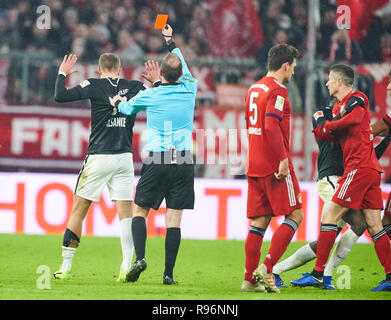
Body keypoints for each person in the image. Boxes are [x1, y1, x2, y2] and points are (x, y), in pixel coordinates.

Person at [52, 52, 160, 281]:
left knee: (78, 211)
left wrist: (62, 73)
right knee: (126, 214)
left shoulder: (93, 84)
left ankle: (66, 267)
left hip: (99, 156)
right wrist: (157, 81)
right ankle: (125, 267)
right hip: (124, 157)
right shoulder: (135, 86)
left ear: (100, 70)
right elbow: (161, 100)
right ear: (120, 70)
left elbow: (59, 96)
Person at [109, 24, 197, 285]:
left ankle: (140, 259)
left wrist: (115, 101)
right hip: (182, 159)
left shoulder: (150, 94)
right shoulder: (190, 89)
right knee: (174, 217)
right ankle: (168, 275)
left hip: (157, 158)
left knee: (140, 210)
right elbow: (182, 65)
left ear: (161, 74)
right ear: (181, 74)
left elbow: (125, 109)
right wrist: (169, 41)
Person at [273, 99, 391, 289]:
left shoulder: (353, 124)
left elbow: (366, 155)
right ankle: (320, 275)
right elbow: (323, 129)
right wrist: (351, 120)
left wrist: (385, 139)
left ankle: (288, 271)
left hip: (349, 178)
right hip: (331, 178)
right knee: (353, 224)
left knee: (342, 230)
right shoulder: (323, 113)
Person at [242, 44, 302, 294]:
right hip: (273, 165)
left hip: (254, 163)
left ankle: (249, 280)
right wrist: (283, 159)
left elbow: (250, 124)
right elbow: (270, 126)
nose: (294, 72)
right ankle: (266, 268)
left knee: (260, 220)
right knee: (296, 214)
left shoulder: (253, 88)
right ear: (285, 65)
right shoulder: (278, 90)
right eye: (294, 67)